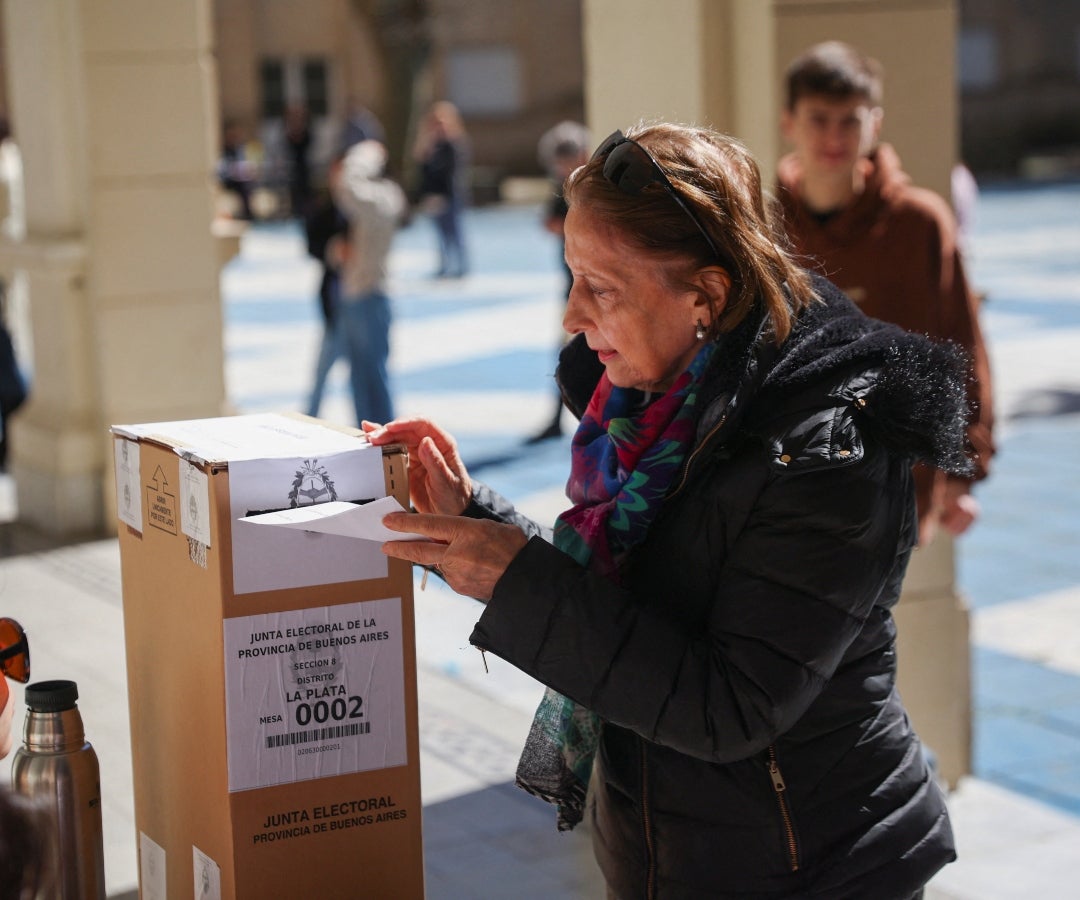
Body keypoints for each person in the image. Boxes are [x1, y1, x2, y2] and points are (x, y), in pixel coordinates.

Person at [370, 122, 964, 897]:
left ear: (707, 296)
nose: (572, 316)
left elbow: (729, 706)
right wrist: (480, 523)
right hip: (678, 856)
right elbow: (632, 594)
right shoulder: (648, 408)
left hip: (816, 867)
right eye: (571, 277)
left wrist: (514, 581)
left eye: (601, 288)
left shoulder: (823, 449)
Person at [777, 41, 994, 547]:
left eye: (850, 120)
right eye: (819, 118)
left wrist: (963, 465)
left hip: (898, 491)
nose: (835, 135)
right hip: (791, 488)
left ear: (874, 124)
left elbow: (961, 344)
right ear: (789, 122)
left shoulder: (920, 222)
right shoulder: (766, 226)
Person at [327, 140, 406, 426]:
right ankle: (370, 438)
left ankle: (387, 443)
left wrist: (365, 150)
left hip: (370, 294)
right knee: (360, 377)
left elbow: (348, 183)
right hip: (359, 292)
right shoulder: (382, 197)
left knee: (373, 375)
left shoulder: (380, 197)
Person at [526, 121, 591, 444]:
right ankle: (559, 414)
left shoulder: (589, 187)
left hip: (591, 284)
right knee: (567, 351)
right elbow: (552, 223)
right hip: (573, 285)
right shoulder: (563, 188)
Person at [304, 151, 350, 419]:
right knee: (322, 370)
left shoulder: (362, 209)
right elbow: (313, 244)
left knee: (365, 374)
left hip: (362, 302)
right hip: (335, 303)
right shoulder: (325, 209)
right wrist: (333, 250)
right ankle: (310, 419)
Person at [413, 101, 470, 278]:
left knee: (455, 232)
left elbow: (450, 171)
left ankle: (460, 265)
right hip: (433, 196)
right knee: (440, 234)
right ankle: (445, 264)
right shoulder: (430, 146)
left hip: (450, 194)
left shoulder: (454, 144)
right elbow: (422, 171)